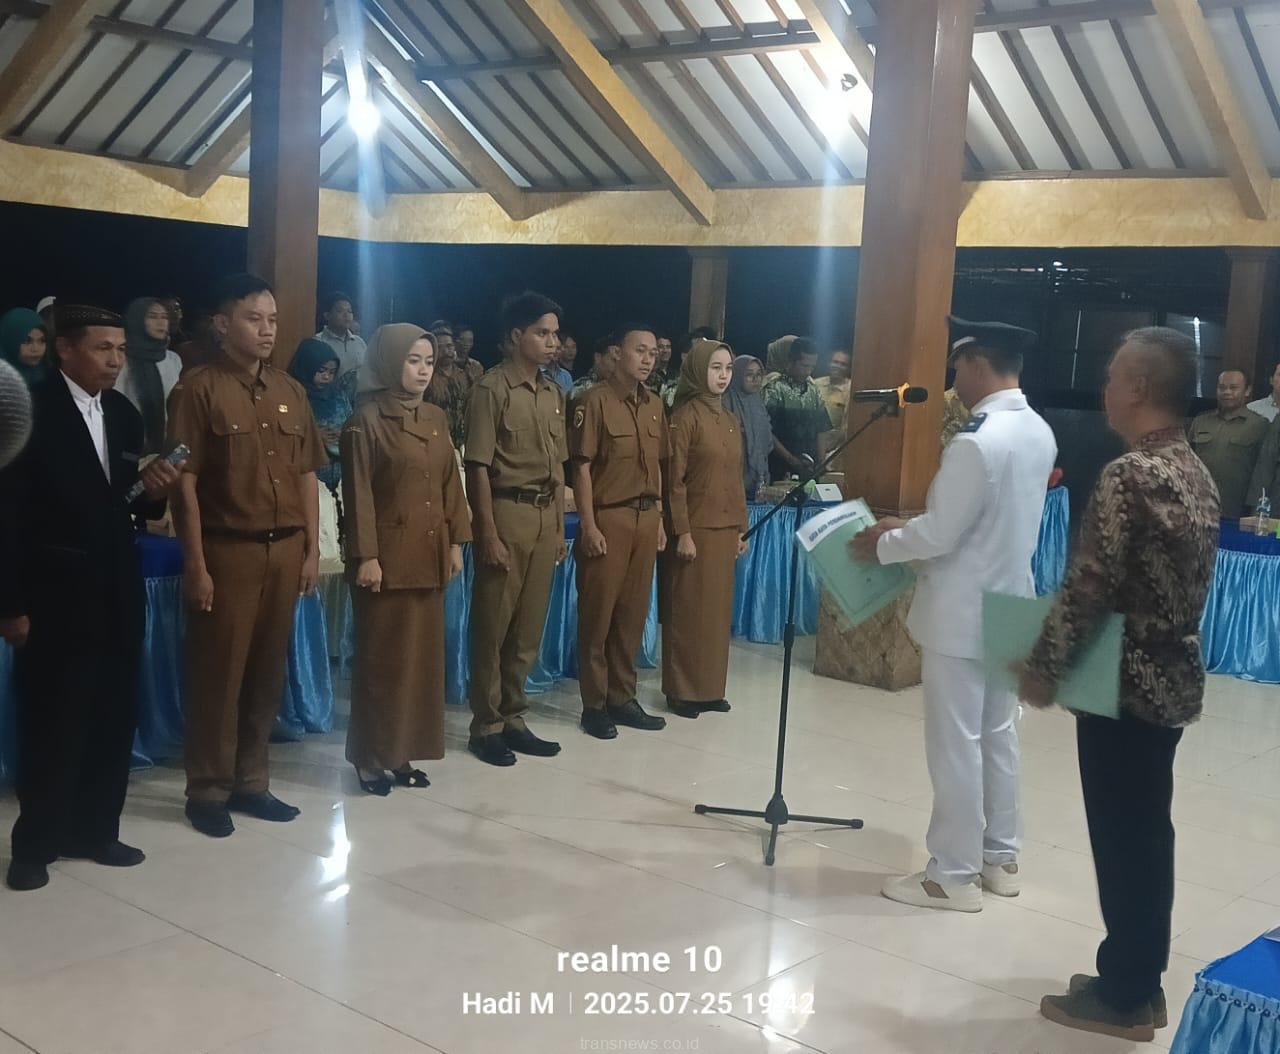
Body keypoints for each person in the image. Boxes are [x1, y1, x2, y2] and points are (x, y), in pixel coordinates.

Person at [1020, 328, 1219, 1043]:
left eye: (1111, 377)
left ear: (1138, 388)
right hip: (1170, 680)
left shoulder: (1129, 473)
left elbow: (1090, 585)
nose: (1102, 388)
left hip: (1122, 682)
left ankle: (1128, 993)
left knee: (1123, 838)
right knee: (1145, 832)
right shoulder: (1192, 468)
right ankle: (1135, 976)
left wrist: (1044, 664)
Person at [851, 317, 1057, 913]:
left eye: (957, 369)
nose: (953, 383)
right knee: (998, 734)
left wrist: (883, 542)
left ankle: (951, 876)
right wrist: (914, 528)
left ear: (977, 363)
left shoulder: (976, 440)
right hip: (1012, 601)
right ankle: (1000, 859)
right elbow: (984, 521)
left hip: (963, 611)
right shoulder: (1037, 428)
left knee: (956, 743)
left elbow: (942, 535)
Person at [0, 305, 184, 891]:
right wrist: (10, 604)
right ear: (66, 349)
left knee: (112, 714)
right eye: (103, 348)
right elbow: (7, 515)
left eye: (120, 350)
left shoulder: (124, 415)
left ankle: (96, 830)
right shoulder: (30, 411)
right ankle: (36, 844)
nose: (114, 360)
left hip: (117, 587)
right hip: (53, 592)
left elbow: (126, 501)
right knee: (53, 719)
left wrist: (156, 492)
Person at [166, 274, 328, 838]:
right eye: (253, 318)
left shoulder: (291, 390)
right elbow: (184, 481)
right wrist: (195, 563)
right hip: (228, 550)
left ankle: (252, 781)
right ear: (222, 324)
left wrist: (311, 548)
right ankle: (208, 790)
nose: (266, 330)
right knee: (219, 673)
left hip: (284, 549)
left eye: (273, 320)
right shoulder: (197, 389)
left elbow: (306, 473)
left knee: (266, 672)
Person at [341, 325, 470, 795]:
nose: (422, 370)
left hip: (429, 555)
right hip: (386, 562)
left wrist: (456, 542)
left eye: (428, 362)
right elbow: (357, 494)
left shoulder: (435, 417)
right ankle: (369, 758)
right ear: (389, 361)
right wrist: (367, 556)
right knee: (383, 662)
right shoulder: (366, 420)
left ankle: (401, 753)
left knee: (420, 665)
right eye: (412, 360)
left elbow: (450, 483)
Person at [464, 292, 567, 767]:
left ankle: (514, 717)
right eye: (542, 333)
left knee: (527, 626)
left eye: (555, 334)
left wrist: (560, 527)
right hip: (506, 512)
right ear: (514, 336)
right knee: (493, 624)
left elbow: (559, 466)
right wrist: (485, 532)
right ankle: (485, 725)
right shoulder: (492, 389)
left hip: (545, 517)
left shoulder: (552, 392)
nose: (552, 342)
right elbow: (478, 467)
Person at [570, 325, 669, 739]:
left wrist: (660, 516)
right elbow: (581, 467)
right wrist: (588, 524)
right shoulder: (593, 401)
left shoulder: (655, 404)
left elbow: (658, 465)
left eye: (652, 353)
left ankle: (622, 697)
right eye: (639, 350)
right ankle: (594, 705)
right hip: (609, 517)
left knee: (632, 614)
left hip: (646, 518)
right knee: (599, 615)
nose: (647, 359)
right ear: (617, 353)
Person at [661, 339, 749, 719]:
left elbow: (735, 478)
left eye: (728, 368)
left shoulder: (729, 419)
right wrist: (682, 531)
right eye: (715, 368)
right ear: (698, 370)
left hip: (724, 529)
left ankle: (710, 688)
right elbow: (674, 481)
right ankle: (682, 691)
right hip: (694, 529)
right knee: (688, 611)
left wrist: (741, 528)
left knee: (715, 614)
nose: (723, 376)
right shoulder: (685, 417)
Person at [1188, 369, 1268, 518]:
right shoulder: (1200, 421)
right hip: (1198, 505)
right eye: (1222, 387)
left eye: (1233, 387)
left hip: (1236, 508)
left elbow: (1263, 471)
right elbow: (1186, 460)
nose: (1227, 392)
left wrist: (1254, 509)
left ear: (1247, 391)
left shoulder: (1260, 425)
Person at [115, 297, 184, 456]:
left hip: (168, 449)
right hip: (130, 450)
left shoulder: (173, 359)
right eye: (153, 317)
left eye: (164, 317)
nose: (161, 322)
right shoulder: (121, 359)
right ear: (137, 320)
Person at [287, 338, 352, 492]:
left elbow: (352, 421)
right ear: (307, 366)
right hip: (307, 479)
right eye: (321, 371)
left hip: (342, 476)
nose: (327, 377)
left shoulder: (338, 394)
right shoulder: (291, 396)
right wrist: (314, 437)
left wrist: (345, 433)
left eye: (332, 372)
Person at [762, 337, 826, 481]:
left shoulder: (813, 390)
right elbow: (766, 431)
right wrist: (792, 460)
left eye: (812, 367)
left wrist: (822, 461)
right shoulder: (774, 388)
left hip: (810, 467)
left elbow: (821, 428)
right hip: (779, 466)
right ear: (791, 361)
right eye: (804, 366)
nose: (808, 371)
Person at [722, 354, 772, 500]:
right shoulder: (725, 402)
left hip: (759, 476)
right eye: (749, 375)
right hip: (732, 475)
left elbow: (766, 440)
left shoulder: (758, 403)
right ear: (737, 376)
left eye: (759, 374)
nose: (755, 379)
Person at [425, 320, 468, 447]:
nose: (446, 351)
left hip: (463, 441)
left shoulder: (465, 375)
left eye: (449, 346)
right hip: (435, 439)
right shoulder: (427, 377)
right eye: (440, 347)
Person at [316, 291, 367, 386]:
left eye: (349, 311)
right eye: (340, 311)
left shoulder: (359, 342)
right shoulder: (318, 342)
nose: (346, 315)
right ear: (327, 315)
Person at [1, 308, 50, 389]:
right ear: (10, 340)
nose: (35, 349)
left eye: (42, 341)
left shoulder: (43, 374)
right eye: (27, 341)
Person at [568, 334, 618, 407]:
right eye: (613, 360)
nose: (617, 366)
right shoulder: (580, 390)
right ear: (598, 357)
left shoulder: (623, 389)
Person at [815, 349, 852, 429]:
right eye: (835, 362)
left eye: (843, 364)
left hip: (837, 435)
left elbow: (847, 424)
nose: (838, 366)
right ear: (829, 364)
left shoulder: (851, 389)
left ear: (849, 368)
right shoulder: (816, 384)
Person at [454, 323, 484, 389]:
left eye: (470, 341)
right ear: (454, 341)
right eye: (463, 340)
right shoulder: (447, 365)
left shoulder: (476, 366)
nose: (466, 344)